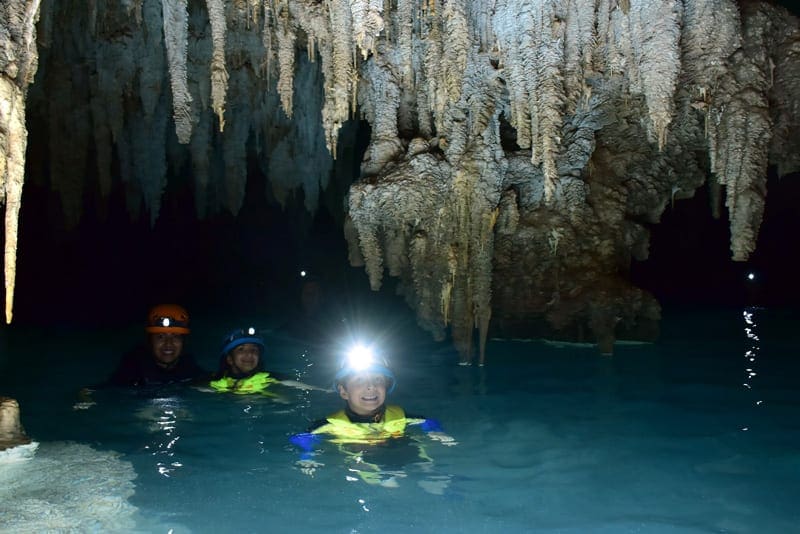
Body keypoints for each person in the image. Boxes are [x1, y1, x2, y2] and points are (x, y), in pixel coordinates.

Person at [290, 345, 455, 485]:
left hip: (404, 448)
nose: (371, 387)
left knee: (430, 472)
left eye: (378, 380)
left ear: (387, 387)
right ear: (343, 391)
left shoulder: (400, 416)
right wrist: (307, 456)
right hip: (364, 460)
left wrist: (436, 431)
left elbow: (428, 422)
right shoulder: (330, 424)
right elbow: (303, 437)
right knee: (386, 480)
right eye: (359, 381)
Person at [106, 304, 208, 387]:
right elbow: (108, 390)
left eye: (176, 337)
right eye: (160, 337)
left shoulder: (188, 366)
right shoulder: (133, 370)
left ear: (184, 342)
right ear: (150, 341)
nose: (168, 343)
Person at [206, 326, 324, 395]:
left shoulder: (270, 379)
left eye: (254, 350)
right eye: (241, 349)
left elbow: (314, 389)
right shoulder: (213, 383)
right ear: (229, 359)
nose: (249, 354)